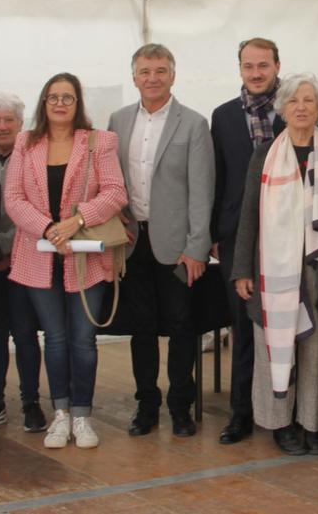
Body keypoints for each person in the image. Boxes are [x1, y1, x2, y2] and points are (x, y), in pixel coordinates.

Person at [4, 74, 128, 450]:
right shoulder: (26, 143)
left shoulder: (98, 142)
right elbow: (13, 198)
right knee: (55, 340)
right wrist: (49, 230)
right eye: (53, 97)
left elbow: (116, 192)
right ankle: (59, 415)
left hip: (87, 256)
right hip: (38, 255)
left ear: (78, 104)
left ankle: (82, 415)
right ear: (43, 103)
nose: (60, 103)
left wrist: (77, 221)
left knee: (83, 339)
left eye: (68, 98)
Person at [232, 73, 318, 456]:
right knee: (273, 347)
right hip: (272, 270)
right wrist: (242, 270)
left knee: (316, 349)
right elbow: (248, 214)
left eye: (309, 100)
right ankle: (280, 424)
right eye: (294, 100)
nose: (301, 107)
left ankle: (312, 425)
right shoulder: (264, 154)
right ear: (282, 108)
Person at [108, 44, 214, 439]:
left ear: (173, 74)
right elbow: (109, 179)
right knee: (142, 329)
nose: (152, 77)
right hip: (132, 240)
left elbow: (203, 192)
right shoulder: (117, 121)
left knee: (182, 326)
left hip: (178, 246)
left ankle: (180, 407)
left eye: (160, 70)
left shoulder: (194, 124)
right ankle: (146, 405)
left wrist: (197, 247)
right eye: (144, 71)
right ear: (133, 76)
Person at [210, 37, 284, 445]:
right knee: (241, 327)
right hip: (236, 236)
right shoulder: (222, 116)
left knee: (282, 327)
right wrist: (214, 234)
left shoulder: (297, 110)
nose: (256, 73)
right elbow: (216, 178)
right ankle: (241, 413)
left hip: (286, 236)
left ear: (277, 65)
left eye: (263, 66)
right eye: (248, 66)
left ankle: (282, 413)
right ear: (239, 69)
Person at [0, 93, 47, 434]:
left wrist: (9, 249)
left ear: (22, 124)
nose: (2, 126)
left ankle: (31, 402)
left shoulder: (33, 154)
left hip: (25, 257)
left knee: (24, 333)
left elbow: (34, 207)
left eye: (9, 120)